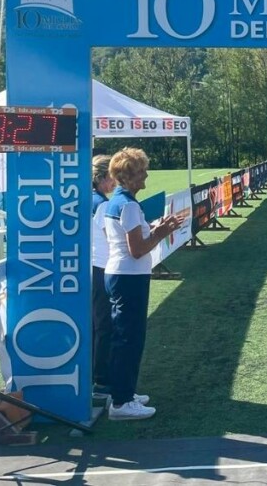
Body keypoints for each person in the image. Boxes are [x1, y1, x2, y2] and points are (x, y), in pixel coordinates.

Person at [103, 147, 185, 420]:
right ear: (127, 177)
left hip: (123, 275)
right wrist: (161, 232)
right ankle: (121, 402)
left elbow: (129, 237)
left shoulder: (120, 202)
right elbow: (137, 249)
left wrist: (157, 227)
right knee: (129, 338)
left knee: (126, 337)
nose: (146, 176)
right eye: (141, 172)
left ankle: (124, 393)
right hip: (128, 277)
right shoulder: (127, 204)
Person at [90, 154, 115, 400]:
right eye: (112, 177)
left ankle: (93, 376)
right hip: (102, 268)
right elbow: (113, 238)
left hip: (87, 268)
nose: (114, 183)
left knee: (94, 324)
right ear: (102, 177)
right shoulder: (103, 204)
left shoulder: (87, 198)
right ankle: (102, 379)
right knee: (104, 325)